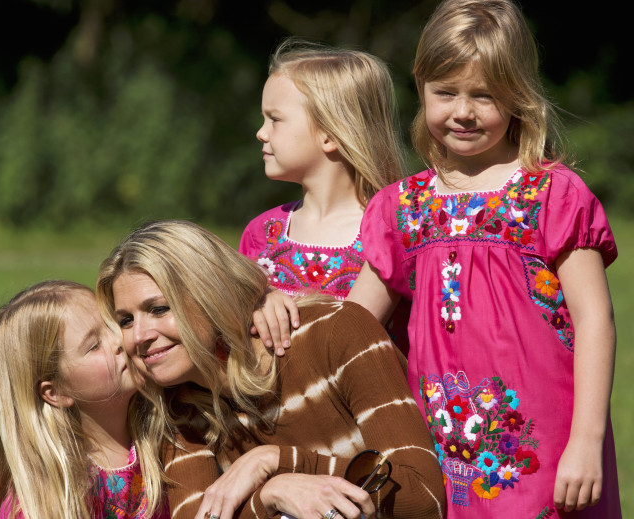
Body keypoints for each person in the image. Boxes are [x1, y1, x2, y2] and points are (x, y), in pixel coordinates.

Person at [346, 0, 621, 517]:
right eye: (445, 93)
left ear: (518, 96)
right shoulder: (403, 208)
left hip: (545, 447)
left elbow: (595, 321)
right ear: (421, 86)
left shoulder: (553, 195)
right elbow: (353, 325)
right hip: (440, 449)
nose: (463, 111)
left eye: (484, 96)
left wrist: (586, 441)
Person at [96, 220, 445, 519]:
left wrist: (273, 460)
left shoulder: (336, 333)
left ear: (208, 293)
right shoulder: (175, 408)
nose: (139, 336)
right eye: (125, 320)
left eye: (158, 309)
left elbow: (423, 499)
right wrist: (270, 494)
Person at [238, 38, 411, 356]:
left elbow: (351, 344)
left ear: (330, 134)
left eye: (275, 119)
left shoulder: (387, 233)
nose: (261, 133)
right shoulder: (260, 233)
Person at [0, 280, 169, 519]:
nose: (119, 340)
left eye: (112, 324)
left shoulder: (168, 432)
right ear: (56, 392)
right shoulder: (42, 505)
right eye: (94, 346)